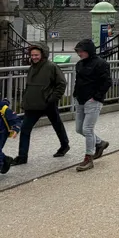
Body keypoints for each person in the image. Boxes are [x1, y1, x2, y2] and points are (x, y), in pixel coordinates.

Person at [12, 44, 69, 166]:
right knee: (25, 129)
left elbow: (61, 84)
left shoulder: (51, 67)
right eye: (32, 55)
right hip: (32, 104)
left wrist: (52, 99)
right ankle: (22, 156)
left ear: (42, 54)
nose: (34, 57)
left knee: (57, 125)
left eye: (36, 55)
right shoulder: (32, 67)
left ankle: (64, 145)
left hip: (47, 103)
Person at [72, 39, 112, 172]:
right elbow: (78, 81)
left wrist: (96, 97)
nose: (79, 54)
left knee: (87, 129)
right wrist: (75, 94)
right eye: (78, 51)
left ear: (88, 51)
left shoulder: (101, 64)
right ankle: (99, 143)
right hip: (80, 99)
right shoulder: (79, 64)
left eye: (81, 51)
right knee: (79, 129)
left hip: (93, 101)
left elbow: (106, 82)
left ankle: (88, 157)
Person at [0, 96, 22, 174]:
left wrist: (16, 128)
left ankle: (2, 163)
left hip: (2, 133)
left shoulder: (2, 107)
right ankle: (5, 160)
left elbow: (15, 119)